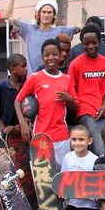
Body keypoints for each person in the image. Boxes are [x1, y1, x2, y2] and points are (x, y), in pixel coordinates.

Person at [15, 38, 78, 167]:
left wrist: (69, 99)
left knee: (61, 176)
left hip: (62, 137)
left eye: (55, 54)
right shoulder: (35, 78)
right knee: (43, 179)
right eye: (47, 55)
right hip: (41, 136)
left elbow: (75, 106)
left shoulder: (67, 79)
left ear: (61, 56)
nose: (51, 58)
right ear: (42, 58)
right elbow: (17, 101)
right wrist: (23, 124)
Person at [67, 25, 105, 155]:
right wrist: (78, 107)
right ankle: (99, 171)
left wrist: (104, 106)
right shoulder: (75, 64)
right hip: (86, 111)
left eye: (94, 43)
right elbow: (71, 90)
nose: (90, 46)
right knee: (98, 144)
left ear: (99, 42)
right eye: (87, 43)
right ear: (82, 44)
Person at [3, 0, 79, 73]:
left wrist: (83, 2)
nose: (46, 15)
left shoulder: (61, 31)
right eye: (44, 12)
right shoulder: (28, 30)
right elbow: (8, 15)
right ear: (39, 13)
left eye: (49, 12)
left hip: (52, 79)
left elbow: (82, 27)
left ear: (54, 15)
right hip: (33, 80)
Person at [60, 125, 99, 210]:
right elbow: (63, 178)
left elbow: (98, 185)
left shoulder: (95, 160)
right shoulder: (68, 157)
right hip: (71, 203)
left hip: (89, 205)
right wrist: (62, 193)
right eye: (74, 139)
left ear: (89, 141)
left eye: (81, 139)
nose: (77, 143)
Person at [67, 16, 105, 80]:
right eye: (89, 28)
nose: (91, 47)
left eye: (95, 29)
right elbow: (69, 76)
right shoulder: (74, 51)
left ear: (101, 29)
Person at [0, 54, 27, 141]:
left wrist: (24, 123)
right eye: (23, 66)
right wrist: (4, 128)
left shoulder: (27, 84)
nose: (26, 69)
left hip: (25, 131)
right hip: (9, 135)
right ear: (13, 69)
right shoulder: (1, 87)